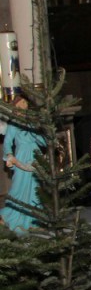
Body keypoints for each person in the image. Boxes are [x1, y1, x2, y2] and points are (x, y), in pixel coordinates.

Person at [0, 98, 45, 233]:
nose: (24, 105)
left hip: (35, 157)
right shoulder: (14, 124)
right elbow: (7, 143)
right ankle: (7, 217)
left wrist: (35, 133)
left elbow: (43, 142)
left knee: (36, 191)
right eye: (21, 103)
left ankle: (34, 222)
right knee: (18, 189)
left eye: (25, 103)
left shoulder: (33, 124)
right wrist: (9, 155)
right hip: (22, 157)